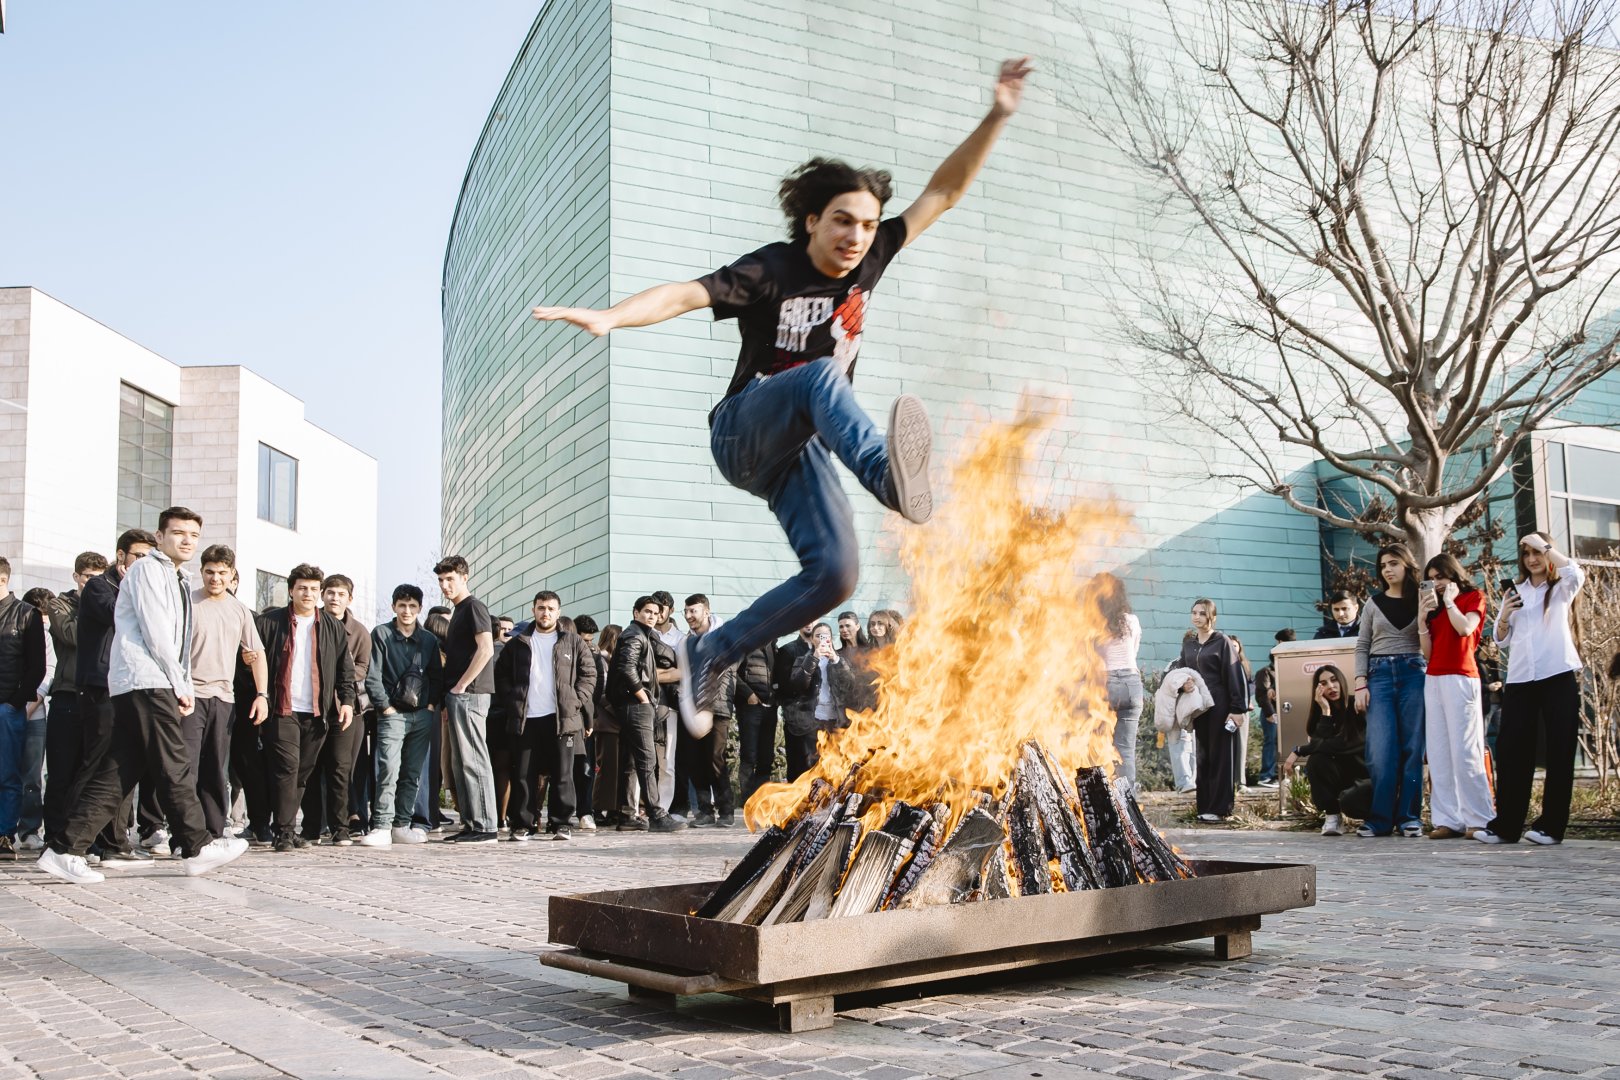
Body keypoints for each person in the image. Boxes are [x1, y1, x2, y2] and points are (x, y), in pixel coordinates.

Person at [535, 60, 1035, 739]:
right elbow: (688, 293)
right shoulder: (772, 267)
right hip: (744, 428)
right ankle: (891, 479)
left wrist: (998, 114)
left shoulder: (874, 256)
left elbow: (943, 192)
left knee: (838, 574)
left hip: (794, 456)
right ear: (811, 221)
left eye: (865, 225)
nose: (855, 237)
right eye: (840, 222)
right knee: (820, 375)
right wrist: (612, 317)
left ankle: (713, 650)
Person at [37, 507, 249, 883]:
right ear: (161, 536)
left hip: (148, 680)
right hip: (146, 679)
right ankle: (197, 845)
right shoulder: (149, 570)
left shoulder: (175, 576)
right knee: (173, 762)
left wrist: (179, 680)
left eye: (193, 535)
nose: (187, 540)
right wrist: (181, 685)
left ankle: (64, 848)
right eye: (179, 533)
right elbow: (156, 631)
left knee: (119, 771)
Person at [1479, 533, 1587, 846]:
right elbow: (1501, 639)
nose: (1532, 559)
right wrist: (1505, 617)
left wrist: (1546, 546)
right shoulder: (1517, 592)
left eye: (1537, 553)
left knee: (1559, 752)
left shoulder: (1561, 589)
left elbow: (1575, 572)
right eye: (1526, 553)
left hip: (1558, 675)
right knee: (1513, 752)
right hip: (1521, 680)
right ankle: (1506, 827)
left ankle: (1551, 827)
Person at [254, 564, 357, 852]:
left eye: (314, 589)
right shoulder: (270, 622)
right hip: (282, 709)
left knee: (302, 772)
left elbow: (344, 669)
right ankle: (284, 832)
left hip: (317, 712)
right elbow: (252, 661)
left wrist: (346, 701)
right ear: (291, 590)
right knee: (286, 768)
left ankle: (285, 826)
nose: (308, 593)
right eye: (302, 588)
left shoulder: (332, 626)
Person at [494, 591, 596, 841]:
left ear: (558, 612)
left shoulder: (573, 642)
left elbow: (589, 674)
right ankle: (524, 824)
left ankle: (561, 823)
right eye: (541, 608)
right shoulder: (518, 643)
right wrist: (512, 700)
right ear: (533, 610)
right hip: (526, 718)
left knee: (563, 774)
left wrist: (575, 701)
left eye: (551, 608)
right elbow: (501, 675)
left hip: (562, 718)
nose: (545, 613)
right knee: (524, 774)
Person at [187, 545, 268, 841]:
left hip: (224, 699)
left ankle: (214, 831)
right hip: (189, 695)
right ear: (201, 572)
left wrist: (262, 695)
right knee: (187, 766)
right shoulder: (187, 602)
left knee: (215, 768)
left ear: (232, 574)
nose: (215, 578)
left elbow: (257, 652)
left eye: (222, 573)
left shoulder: (239, 610)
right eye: (210, 572)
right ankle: (186, 833)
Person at [1416, 553, 1494, 840]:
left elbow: (1465, 629)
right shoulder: (1432, 606)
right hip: (1434, 677)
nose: (1436, 583)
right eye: (1431, 578)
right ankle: (1448, 819)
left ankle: (1480, 818)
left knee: (1466, 750)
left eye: (1440, 577)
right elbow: (1427, 652)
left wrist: (1449, 602)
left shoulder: (1473, 596)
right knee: (1438, 751)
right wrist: (1423, 618)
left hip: (1462, 676)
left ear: (1453, 574)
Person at [359, 585, 443, 847]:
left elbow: (436, 677)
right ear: (393, 606)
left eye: (413, 606)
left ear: (419, 608)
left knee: (412, 772)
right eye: (402, 605)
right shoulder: (381, 634)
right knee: (388, 769)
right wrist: (385, 707)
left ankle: (402, 824)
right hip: (392, 714)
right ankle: (382, 824)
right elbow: (372, 675)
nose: (407, 611)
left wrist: (430, 706)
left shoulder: (428, 640)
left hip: (421, 715)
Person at [1353, 544, 1427, 839]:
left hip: (1414, 673)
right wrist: (1360, 683)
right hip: (1379, 676)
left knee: (1413, 749)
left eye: (1393, 563)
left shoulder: (1422, 599)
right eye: (1383, 565)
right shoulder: (1373, 604)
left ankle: (1409, 817)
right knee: (1380, 751)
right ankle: (1380, 819)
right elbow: (1362, 645)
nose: (1387, 569)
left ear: (1407, 565)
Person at [38, 552, 109, 854]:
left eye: (98, 579)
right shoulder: (60, 605)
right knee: (60, 773)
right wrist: (94, 608)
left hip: (96, 695)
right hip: (67, 695)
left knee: (90, 771)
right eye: (87, 578)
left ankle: (83, 837)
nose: (92, 584)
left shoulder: (109, 604)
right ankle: (53, 835)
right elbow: (72, 635)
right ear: (76, 577)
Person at [299, 574, 371, 845]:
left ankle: (343, 825)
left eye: (341, 594)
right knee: (310, 769)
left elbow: (364, 667)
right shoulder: (310, 623)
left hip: (347, 708)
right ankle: (312, 827)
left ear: (349, 599)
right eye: (330, 593)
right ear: (322, 595)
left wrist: (340, 673)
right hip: (313, 707)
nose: (334, 598)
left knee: (341, 770)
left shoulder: (360, 631)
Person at [434, 556, 500, 843]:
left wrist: (461, 685)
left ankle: (486, 826)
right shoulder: (458, 610)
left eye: (450, 579)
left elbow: (486, 649)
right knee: (461, 762)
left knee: (474, 760)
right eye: (441, 580)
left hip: (471, 695)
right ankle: (473, 823)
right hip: (458, 697)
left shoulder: (474, 607)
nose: (445, 585)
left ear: (465, 577)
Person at [606, 597, 684, 832]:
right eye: (647, 611)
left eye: (655, 612)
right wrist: (643, 697)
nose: (651, 616)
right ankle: (657, 815)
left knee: (631, 760)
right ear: (636, 612)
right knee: (647, 760)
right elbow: (627, 668)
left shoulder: (639, 634)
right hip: (636, 705)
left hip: (631, 705)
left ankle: (627, 815)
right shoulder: (634, 635)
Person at [1172, 599, 1248, 823]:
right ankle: (1204, 806)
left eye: (1202, 614)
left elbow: (1234, 675)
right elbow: (1180, 671)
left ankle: (1221, 808)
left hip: (1221, 706)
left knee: (1221, 756)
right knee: (1203, 756)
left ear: (1211, 617)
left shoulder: (1222, 642)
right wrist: (1182, 683)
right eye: (1194, 613)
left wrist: (1237, 709)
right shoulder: (1189, 645)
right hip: (1199, 706)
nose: (1197, 617)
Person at [1283, 665, 1368, 836]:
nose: (1330, 686)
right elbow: (1319, 746)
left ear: (1341, 681)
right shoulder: (1320, 715)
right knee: (1317, 760)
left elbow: (1345, 744)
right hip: (1340, 777)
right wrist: (1325, 711)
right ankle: (1333, 817)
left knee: (1350, 801)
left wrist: (1299, 750)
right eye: (1323, 683)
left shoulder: (1355, 705)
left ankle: (1374, 818)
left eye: (1334, 680)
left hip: (1364, 775)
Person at [0, 555, 48, 858]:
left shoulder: (25, 615)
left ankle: (4, 834)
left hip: (6, 707)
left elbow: (37, 666)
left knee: (7, 775)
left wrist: (14, 702)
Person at [681, 595, 736, 827]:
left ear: (707, 611)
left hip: (718, 708)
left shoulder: (723, 638)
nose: (689, 616)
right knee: (695, 761)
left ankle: (726, 811)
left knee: (715, 758)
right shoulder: (687, 642)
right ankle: (704, 812)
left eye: (693, 611)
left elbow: (725, 674)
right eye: (686, 612)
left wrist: (709, 706)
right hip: (691, 710)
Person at [781, 622, 859, 780]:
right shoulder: (803, 659)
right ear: (813, 640)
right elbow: (798, 685)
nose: (822, 640)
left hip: (835, 721)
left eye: (826, 636)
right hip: (812, 722)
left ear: (831, 638)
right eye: (818, 636)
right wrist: (814, 658)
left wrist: (836, 660)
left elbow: (850, 684)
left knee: (834, 765)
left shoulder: (839, 659)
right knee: (811, 766)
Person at [1092, 573, 1143, 788]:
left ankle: (1105, 794)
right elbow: (1134, 650)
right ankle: (1128, 803)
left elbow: (1090, 659)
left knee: (1097, 743)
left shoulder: (1094, 623)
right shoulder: (1132, 620)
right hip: (1132, 683)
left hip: (1106, 682)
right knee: (1126, 750)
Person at [734, 638, 779, 802]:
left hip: (770, 707)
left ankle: (762, 802)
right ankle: (748, 801)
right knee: (749, 756)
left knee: (766, 757)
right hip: (749, 708)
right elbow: (731, 671)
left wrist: (776, 698)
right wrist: (748, 694)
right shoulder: (744, 645)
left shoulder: (773, 645)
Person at [1252, 628, 1295, 788]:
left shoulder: (1290, 671)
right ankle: (1266, 776)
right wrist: (1270, 713)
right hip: (1273, 712)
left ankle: (1282, 775)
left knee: (1285, 743)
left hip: (1288, 711)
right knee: (1271, 742)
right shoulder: (1265, 672)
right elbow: (1262, 695)